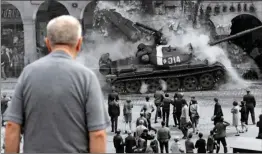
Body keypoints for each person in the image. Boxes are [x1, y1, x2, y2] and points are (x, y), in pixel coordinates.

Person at [4, 15, 110, 153]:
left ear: (47, 43)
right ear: (79, 43)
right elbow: (98, 134)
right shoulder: (87, 77)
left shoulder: (28, 74)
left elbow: (12, 126)